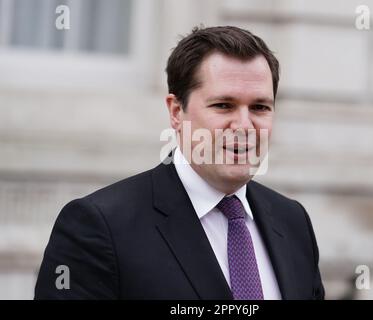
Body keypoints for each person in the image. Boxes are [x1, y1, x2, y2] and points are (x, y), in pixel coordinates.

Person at [34, 25, 325, 300]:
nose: (244, 125)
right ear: (176, 112)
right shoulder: (99, 226)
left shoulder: (293, 222)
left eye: (260, 107)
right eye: (223, 105)